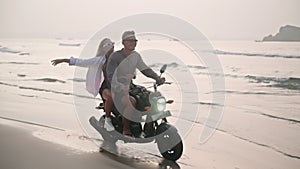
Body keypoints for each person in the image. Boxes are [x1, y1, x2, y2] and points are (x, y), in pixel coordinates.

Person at [106, 31, 165, 137]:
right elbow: (110, 76)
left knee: (151, 97)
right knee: (131, 101)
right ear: (124, 42)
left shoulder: (135, 56)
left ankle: (148, 127)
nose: (133, 43)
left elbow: (145, 69)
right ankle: (126, 129)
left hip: (129, 86)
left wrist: (157, 78)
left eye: (135, 41)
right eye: (130, 41)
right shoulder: (115, 56)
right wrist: (120, 86)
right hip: (117, 88)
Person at [51, 38, 116, 131]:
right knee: (111, 97)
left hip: (118, 85)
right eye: (107, 45)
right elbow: (82, 62)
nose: (110, 47)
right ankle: (108, 120)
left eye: (111, 44)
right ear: (103, 49)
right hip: (105, 86)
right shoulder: (99, 60)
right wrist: (63, 60)